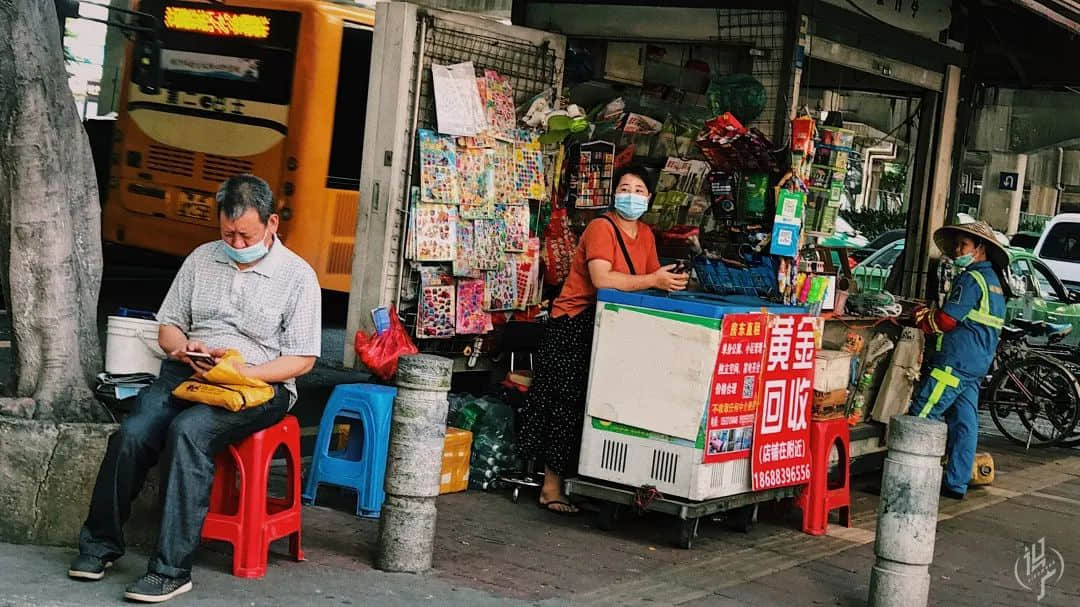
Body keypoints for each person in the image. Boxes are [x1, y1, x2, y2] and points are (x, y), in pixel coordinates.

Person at [69, 175, 322, 602]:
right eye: (228, 234)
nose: (237, 243)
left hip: (259, 385)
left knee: (189, 432)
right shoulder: (202, 259)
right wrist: (185, 348)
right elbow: (168, 326)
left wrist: (240, 372)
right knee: (134, 431)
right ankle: (99, 545)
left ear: (272, 223)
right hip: (192, 372)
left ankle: (170, 570)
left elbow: (302, 360)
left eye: (246, 235)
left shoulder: (298, 276)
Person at [519, 164, 689, 514]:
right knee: (566, 404)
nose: (632, 195)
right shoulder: (601, 228)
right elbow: (602, 279)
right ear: (615, 194)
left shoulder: (645, 235)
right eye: (625, 188)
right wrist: (654, 281)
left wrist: (670, 283)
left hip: (614, 328)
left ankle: (585, 481)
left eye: (639, 190)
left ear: (650, 198)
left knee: (601, 407)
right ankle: (550, 486)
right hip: (575, 324)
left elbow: (653, 280)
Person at [908, 221, 1007, 501]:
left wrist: (923, 319)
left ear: (980, 249)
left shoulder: (972, 279)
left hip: (956, 363)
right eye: (957, 245)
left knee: (922, 414)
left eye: (963, 245)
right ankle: (956, 483)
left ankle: (909, 478)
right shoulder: (995, 283)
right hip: (976, 364)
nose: (957, 249)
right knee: (965, 423)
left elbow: (947, 320)